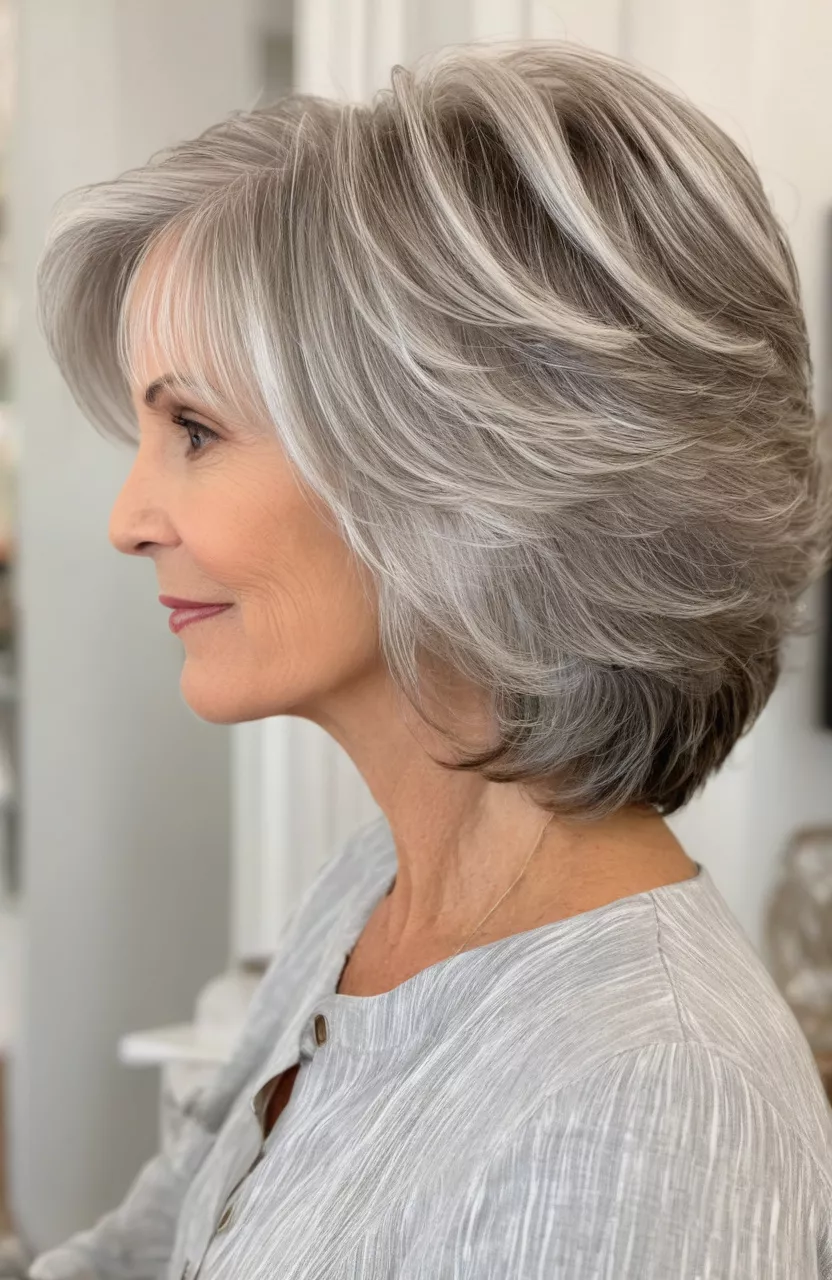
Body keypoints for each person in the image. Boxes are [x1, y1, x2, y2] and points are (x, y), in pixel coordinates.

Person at [28, 37, 832, 1279]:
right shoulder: (372, 894)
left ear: (452, 472)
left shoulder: (651, 1103)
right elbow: (152, 1248)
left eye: (193, 426)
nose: (129, 517)